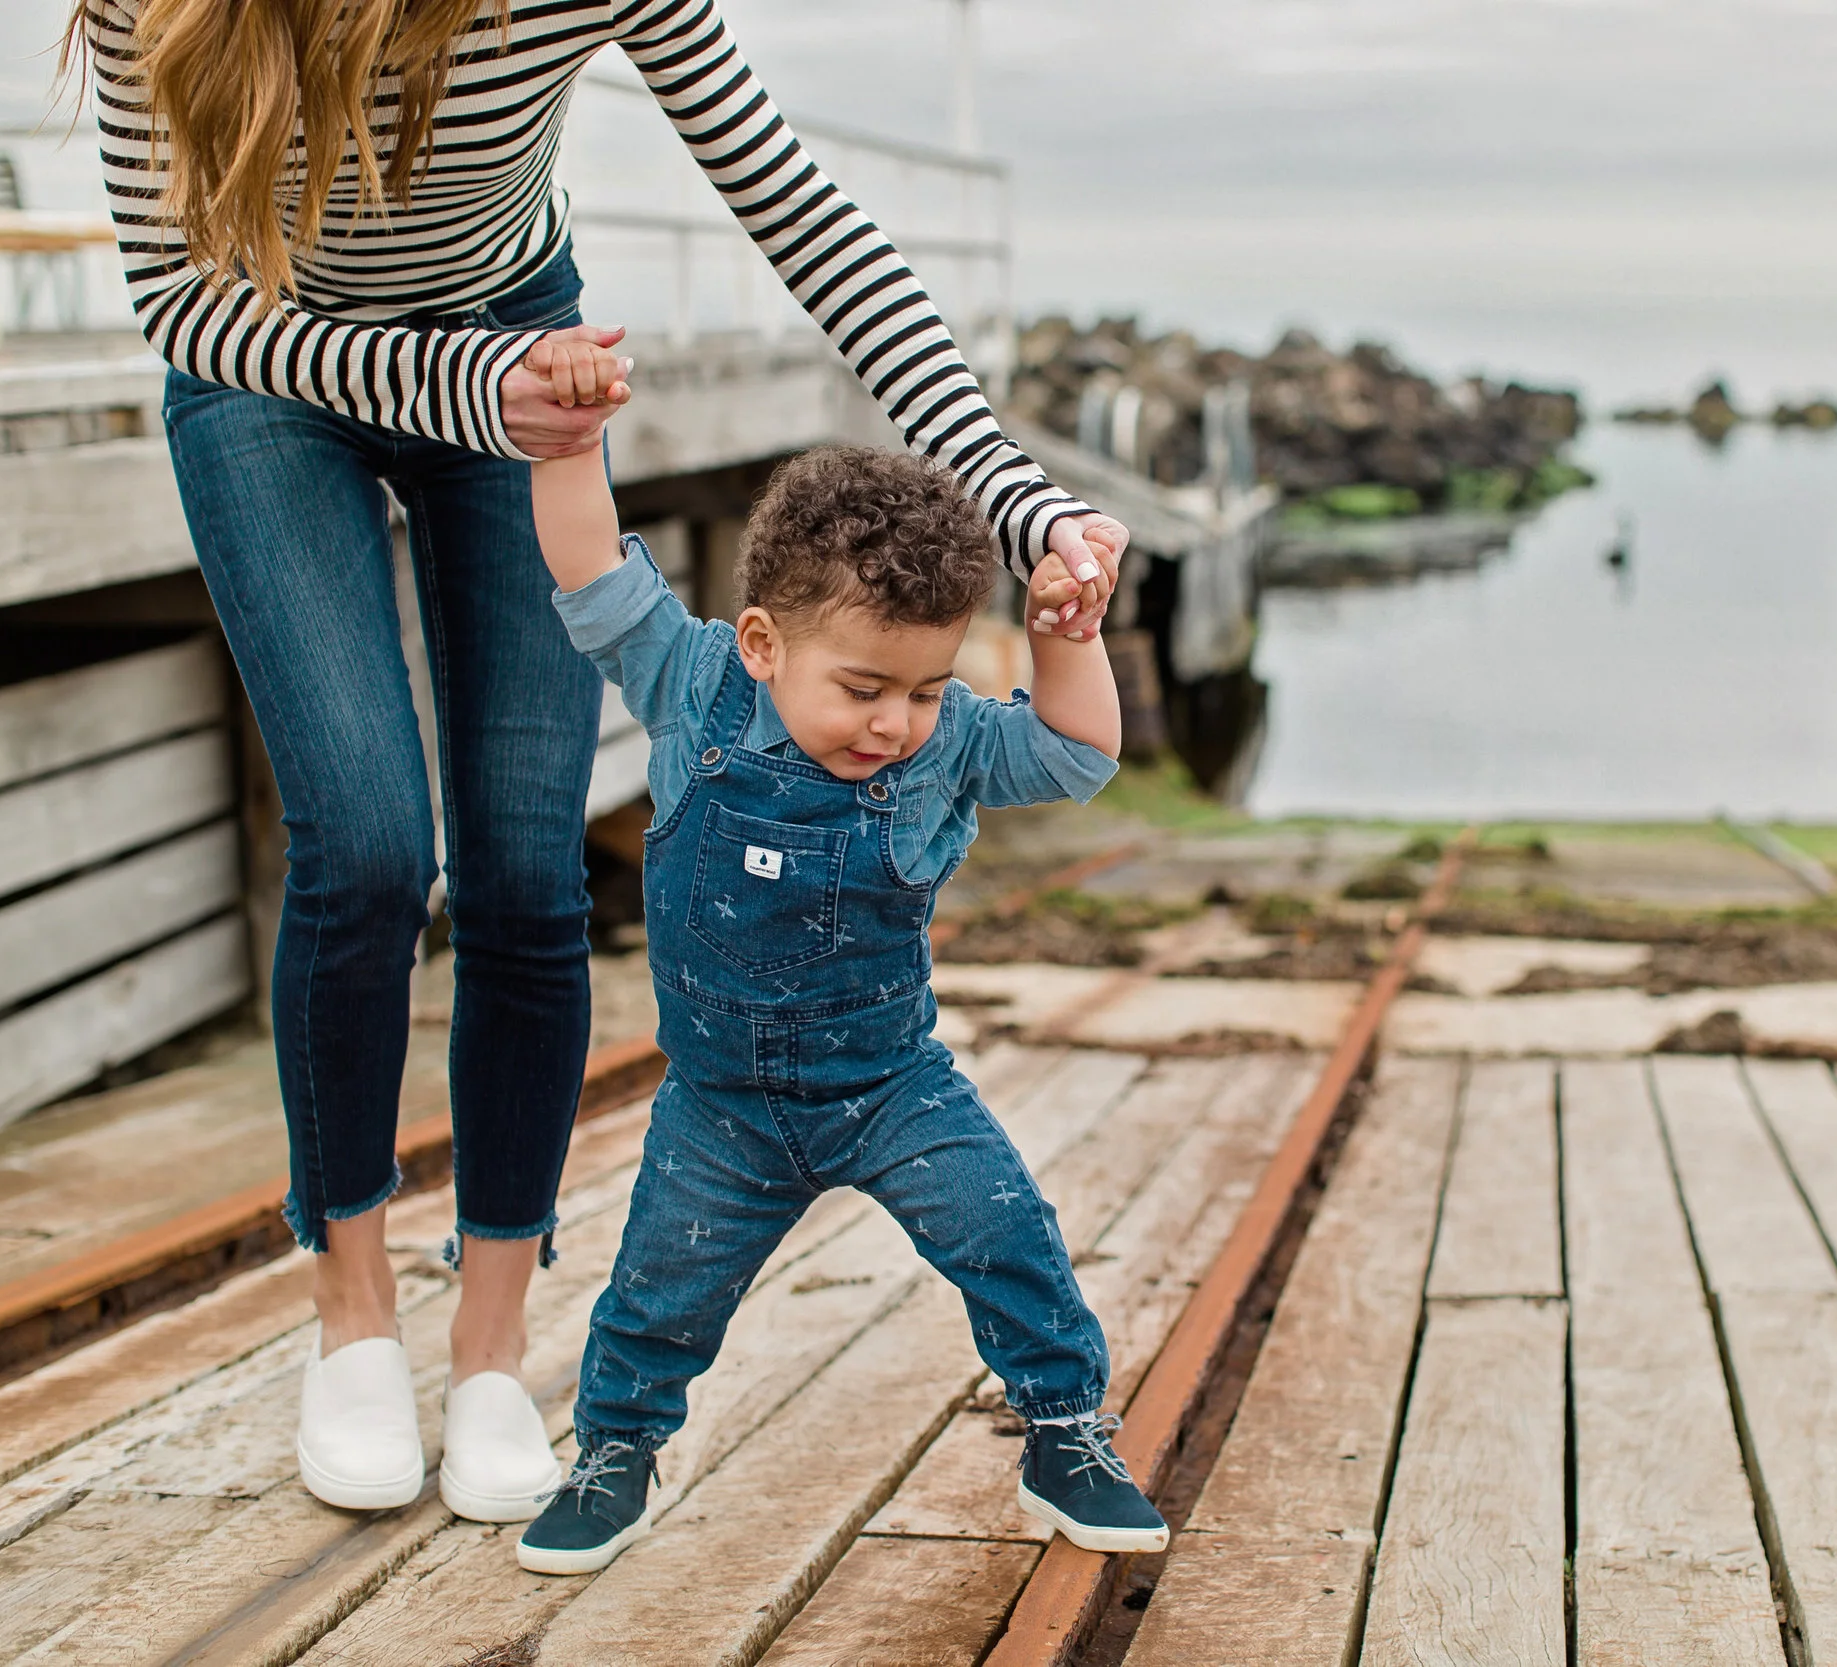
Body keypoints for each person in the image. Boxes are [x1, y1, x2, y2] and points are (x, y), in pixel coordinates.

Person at [63, 0, 1124, 1523]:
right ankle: (352, 1306)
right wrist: (450, 392)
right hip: (265, 371)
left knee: (519, 857)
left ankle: (491, 1339)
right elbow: (180, 302)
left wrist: (1021, 506)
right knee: (363, 843)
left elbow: (806, 220)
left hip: (518, 344)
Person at [505, 415, 1160, 1575]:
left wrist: (1068, 636)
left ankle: (1065, 1432)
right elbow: (590, 568)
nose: (891, 722)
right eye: (863, 687)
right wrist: (567, 439)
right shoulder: (694, 682)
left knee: (1008, 1235)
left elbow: (1077, 752)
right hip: (721, 1106)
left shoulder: (943, 744)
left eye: (923, 687)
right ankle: (614, 1453)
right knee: (659, 1288)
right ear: (761, 641)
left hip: (891, 1086)